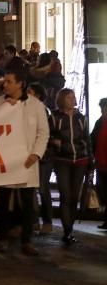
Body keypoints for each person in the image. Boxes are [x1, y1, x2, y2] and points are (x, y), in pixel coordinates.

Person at [0, 64, 48, 256]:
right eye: (4, 81)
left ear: (20, 84)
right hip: (6, 161)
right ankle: (3, 237)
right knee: (3, 202)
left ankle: (27, 240)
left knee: (28, 202)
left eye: (9, 82)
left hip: (27, 161)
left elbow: (43, 132)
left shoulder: (35, 105)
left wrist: (36, 154)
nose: (5, 85)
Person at [48, 88, 92, 246]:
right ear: (62, 100)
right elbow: (47, 135)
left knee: (74, 197)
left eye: (73, 97)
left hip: (80, 160)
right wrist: (54, 142)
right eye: (69, 97)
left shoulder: (81, 118)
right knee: (65, 196)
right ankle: (67, 230)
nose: (72, 100)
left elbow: (87, 139)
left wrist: (91, 162)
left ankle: (70, 228)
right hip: (63, 160)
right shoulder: (55, 117)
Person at [93, 97, 107, 230]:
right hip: (100, 163)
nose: (103, 110)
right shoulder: (99, 122)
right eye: (102, 108)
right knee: (102, 192)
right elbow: (93, 140)